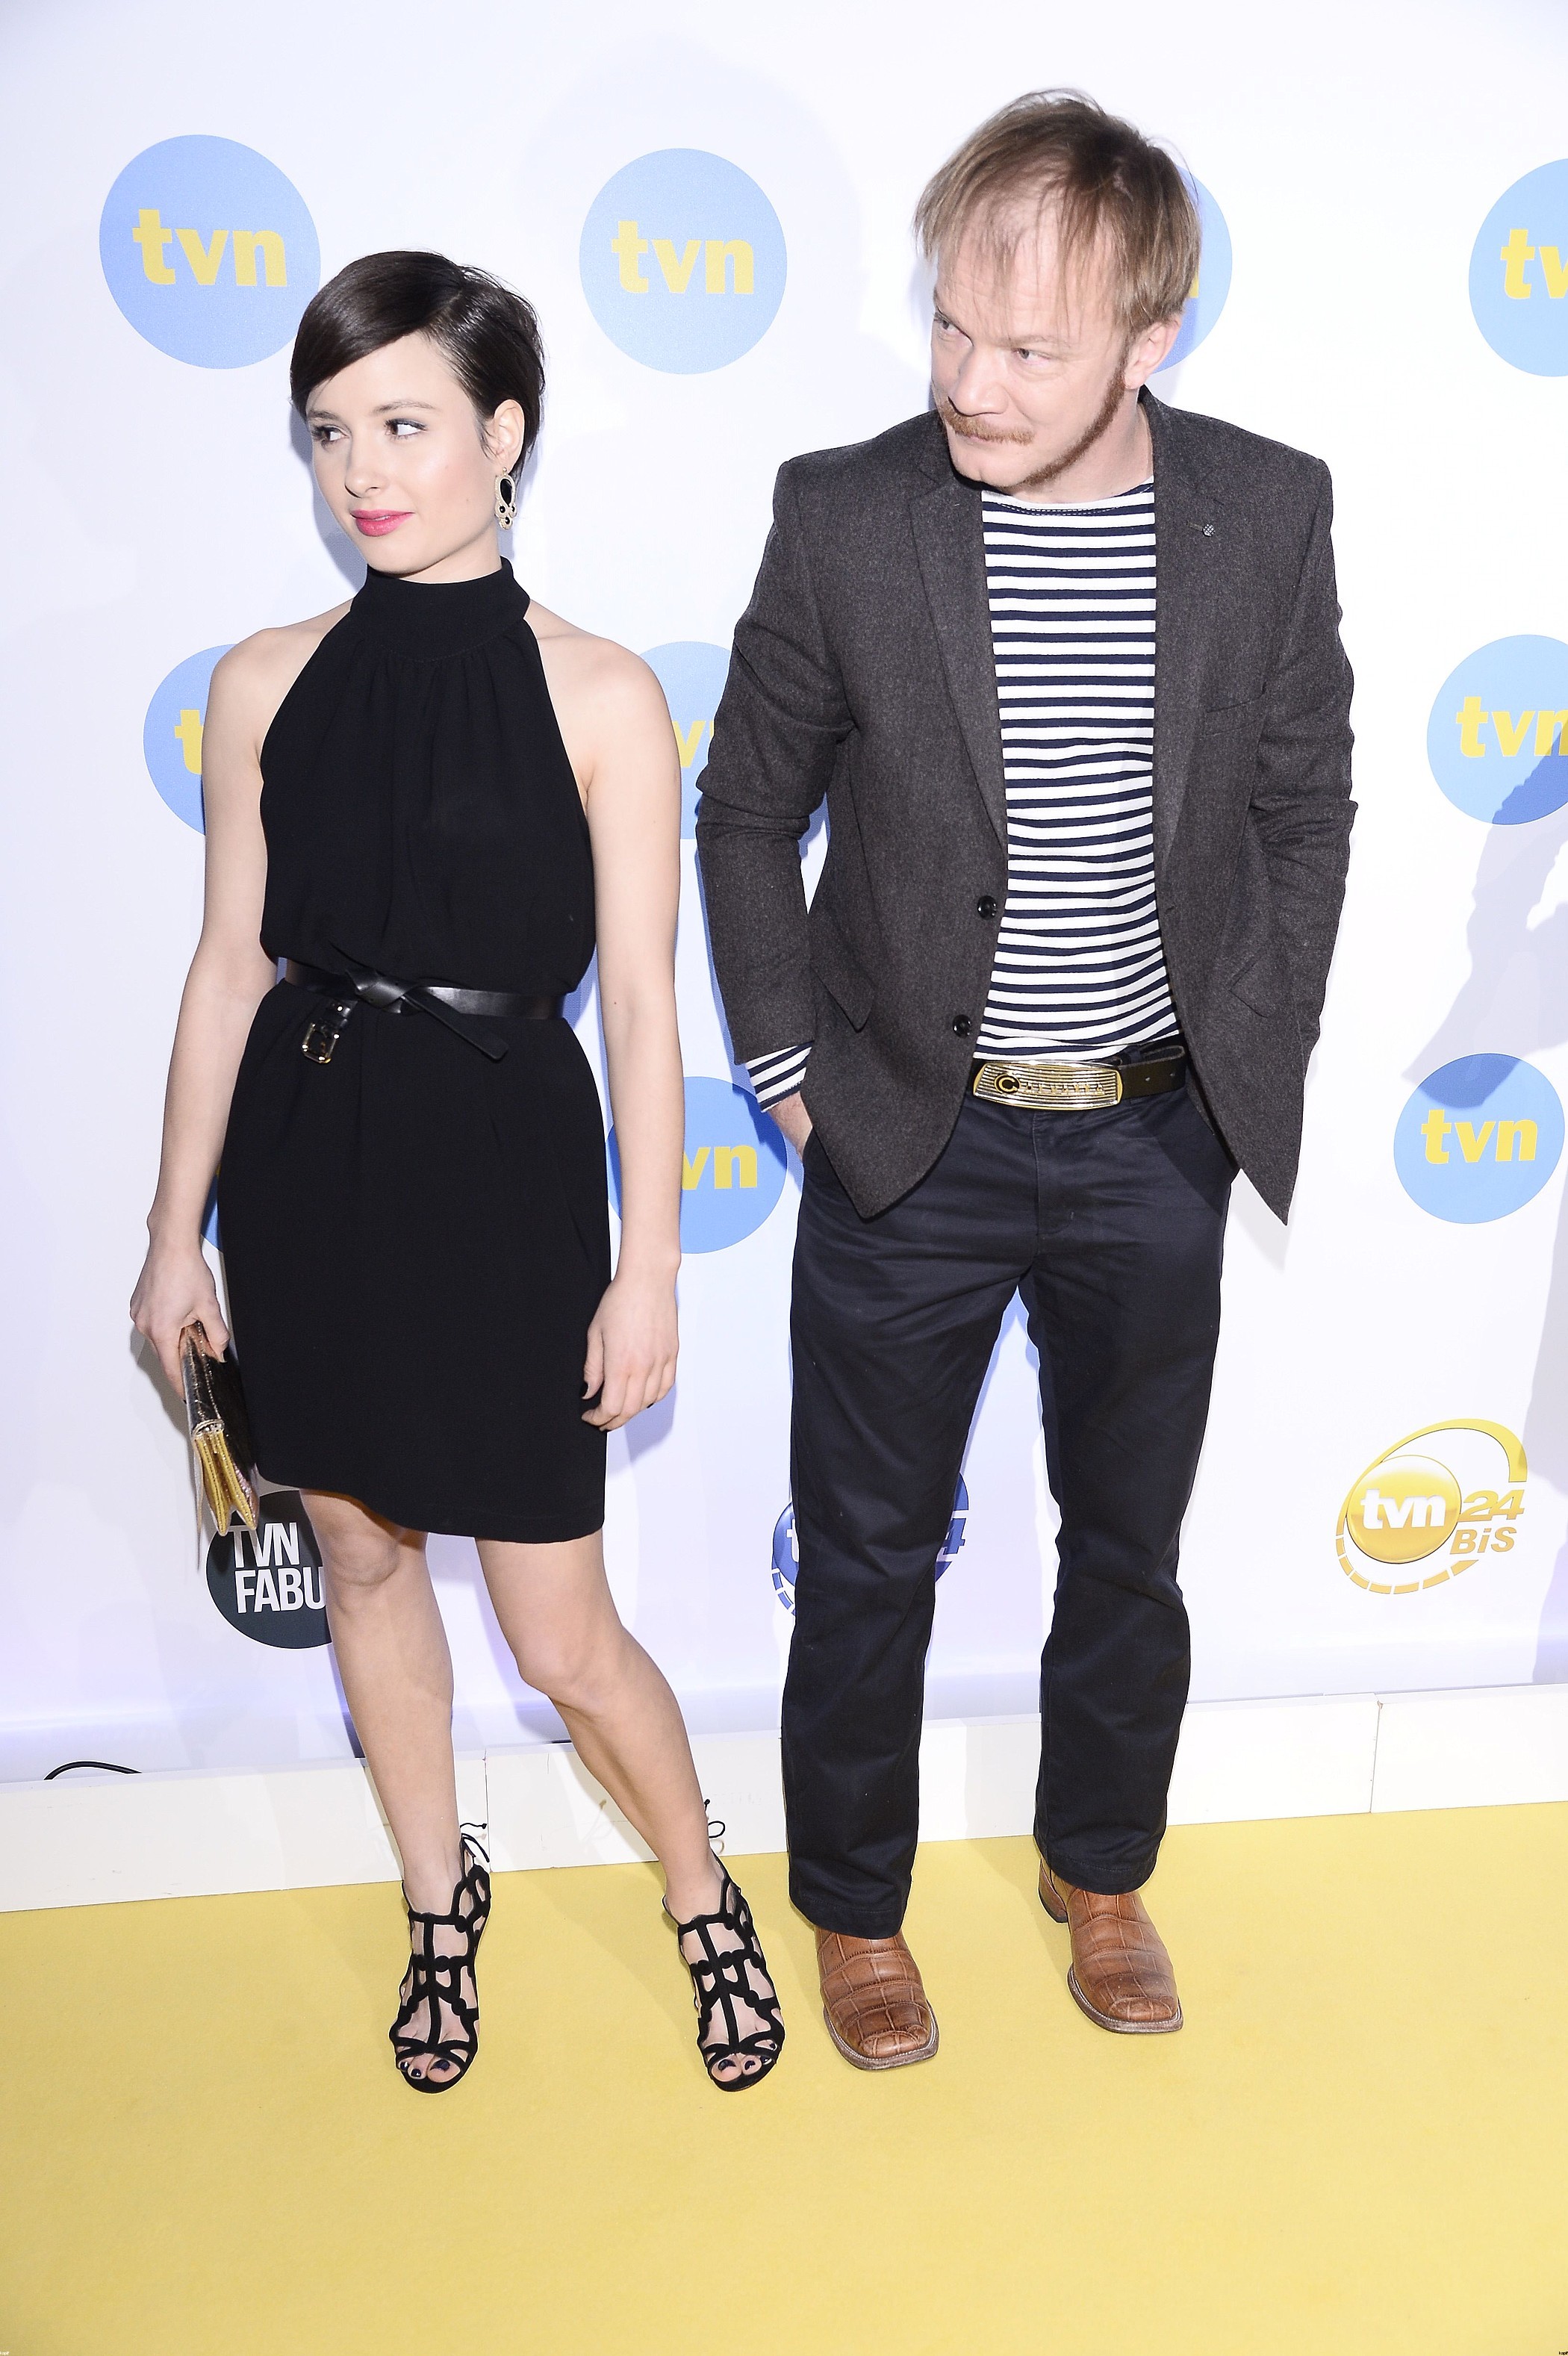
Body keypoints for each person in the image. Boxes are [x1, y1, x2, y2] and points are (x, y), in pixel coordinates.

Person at [697, 92, 1354, 2064]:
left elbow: (1303, 803)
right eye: (950, 328)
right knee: (864, 1556)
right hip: (909, 1137)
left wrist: (1248, 1046)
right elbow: (748, 812)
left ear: (1150, 340)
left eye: (1031, 349)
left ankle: (1101, 1872)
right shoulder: (847, 513)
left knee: (1128, 1547)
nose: (971, 384)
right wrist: (793, 1073)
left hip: (1156, 1134)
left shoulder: (1265, 510)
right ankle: (853, 1911)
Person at [131, 252, 784, 2095]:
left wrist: (649, 1265)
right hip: (309, 1156)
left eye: (405, 425)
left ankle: (699, 1889)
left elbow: (644, 1007)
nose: (363, 471)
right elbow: (228, 969)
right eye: (330, 433)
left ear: (505, 435)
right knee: (355, 1550)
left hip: (506, 1171)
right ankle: (440, 1898)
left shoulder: (603, 695)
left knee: (560, 1631)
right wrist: (174, 1237)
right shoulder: (264, 683)